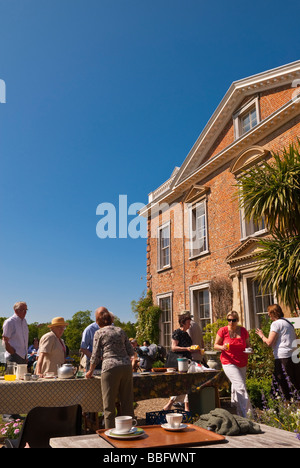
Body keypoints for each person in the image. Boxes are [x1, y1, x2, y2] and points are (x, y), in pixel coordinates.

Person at [86, 307, 135, 429]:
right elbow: (131, 351)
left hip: (110, 368)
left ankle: (110, 436)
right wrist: (132, 363)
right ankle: (129, 431)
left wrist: (90, 371)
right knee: (127, 403)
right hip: (126, 367)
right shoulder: (120, 330)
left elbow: (95, 355)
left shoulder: (99, 333)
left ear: (98, 322)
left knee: (109, 406)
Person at [256, 304, 300, 400]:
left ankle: (287, 406)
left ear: (273, 313)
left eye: (269, 313)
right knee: (295, 382)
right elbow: (296, 339)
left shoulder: (276, 324)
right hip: (294, 356)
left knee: (282, 383)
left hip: (282, 357)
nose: (268, 315)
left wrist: (261, 335)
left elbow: (269, 342)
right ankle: (296, 407)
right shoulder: (288, 323)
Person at [214, 310, 252, 417]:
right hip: (228, 362)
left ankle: (239, 414)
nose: (231, 322)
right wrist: (222, 347)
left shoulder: (243, 331)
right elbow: (215, 345)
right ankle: (249, 415)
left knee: (238, 387)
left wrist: (250, 350)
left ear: (237, 320)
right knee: (241, 387)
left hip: (242, 361)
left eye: (233, 320)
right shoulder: (223, 330)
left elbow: (248, 345)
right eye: (229, 320)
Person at [2, 301, 29, 422]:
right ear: (16, 311)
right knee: (10, 384)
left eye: (26, 310)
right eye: (23, 310)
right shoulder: (10, 322)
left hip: (22, 356)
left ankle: (16, 412)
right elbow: (5, 340)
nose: (25, 312)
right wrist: (12, 352)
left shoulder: (24, 322)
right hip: (13, 356)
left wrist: (25, 355)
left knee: (19, 386)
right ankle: (7, 414)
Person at [163, 312, 193, 411]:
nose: (190, 324)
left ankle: (186, 406)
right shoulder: (177, 333)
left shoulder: (186, 334)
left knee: (187, 384)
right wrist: (187, 348)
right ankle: (170, 403)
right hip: (178, 362)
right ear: (183, 323)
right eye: (188, 322)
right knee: (179, 384)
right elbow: (174, 347)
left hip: (186, 362)